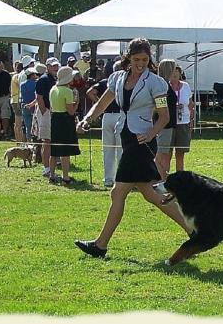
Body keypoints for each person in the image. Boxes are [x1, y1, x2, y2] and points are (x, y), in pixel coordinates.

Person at [74, 37, 193, 258]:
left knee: (118, 192)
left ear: (150, 60)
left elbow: (164, 116)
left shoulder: (155, 82)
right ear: (128, 58)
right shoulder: (117, 78)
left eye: (145, 60)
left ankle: (100, 245)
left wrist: (150, 133)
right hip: (126, 137)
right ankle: (194, 231)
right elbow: (103, 102)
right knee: (151, 194)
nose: (140, 64)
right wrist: (88, 119)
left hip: (142, 143)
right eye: (137, 59)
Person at [86, 56, 126, 187]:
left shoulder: (105, 81)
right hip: (120, 115)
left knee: (108, 148)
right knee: (120, 148)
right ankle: (121, 179)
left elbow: (90, 92)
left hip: (107, 115)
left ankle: (108, 179)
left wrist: (99, 102)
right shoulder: (125, 82)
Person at [48, 66, 80, 184]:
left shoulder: (53, 88)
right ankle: (66, 177)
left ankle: (52, 175)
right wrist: (76, 103)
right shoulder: (68, 91)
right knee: (65, 151)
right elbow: (71, 111)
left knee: (55, 149)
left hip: (55, 118)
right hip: (65, 121)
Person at [35, 57, 59, 177]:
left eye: (56, 65)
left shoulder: (55, 78)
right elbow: (39, 97)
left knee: (52, 140)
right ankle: (46, 168)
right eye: (53, 66)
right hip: (47, 112)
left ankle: (52, 165)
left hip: (54, 112)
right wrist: (45, 111)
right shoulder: (43, 79)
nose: (55, 67)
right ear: (47, 67)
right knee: (47, 141)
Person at [154, 59, 178, 181]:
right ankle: (161, 179)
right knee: (159, 155)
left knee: (163, 154)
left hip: (168, 124)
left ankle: (161, 178)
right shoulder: (163, 85)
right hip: (164, 125)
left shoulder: (165, 84)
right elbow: (159, 105)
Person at [169, 65, 194, 172]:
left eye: (176, 72)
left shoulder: (185, 86)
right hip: (168, 123)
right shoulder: (164, 86)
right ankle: (164, 178)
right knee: (166, 153)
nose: (174, 74)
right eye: (172, 72)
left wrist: (192, 119)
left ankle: (180, 176)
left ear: (180, 74)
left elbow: (190, 104)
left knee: (180, 153)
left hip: (183, 122)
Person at [20, 67, 38, 141]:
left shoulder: (22, 84)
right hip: (34, 105)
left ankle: (28, 141)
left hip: (25, 105)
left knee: (28, 125)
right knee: (35, 125)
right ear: (32, 75)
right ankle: (35, 140)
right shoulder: (36, 84)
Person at [10, 61, 25, 143]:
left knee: (17, 123)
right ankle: (19, 140)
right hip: (17, 100)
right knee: (19, 123)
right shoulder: (18, 76)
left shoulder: (14, 76)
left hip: (14, 99)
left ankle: (18, 140)